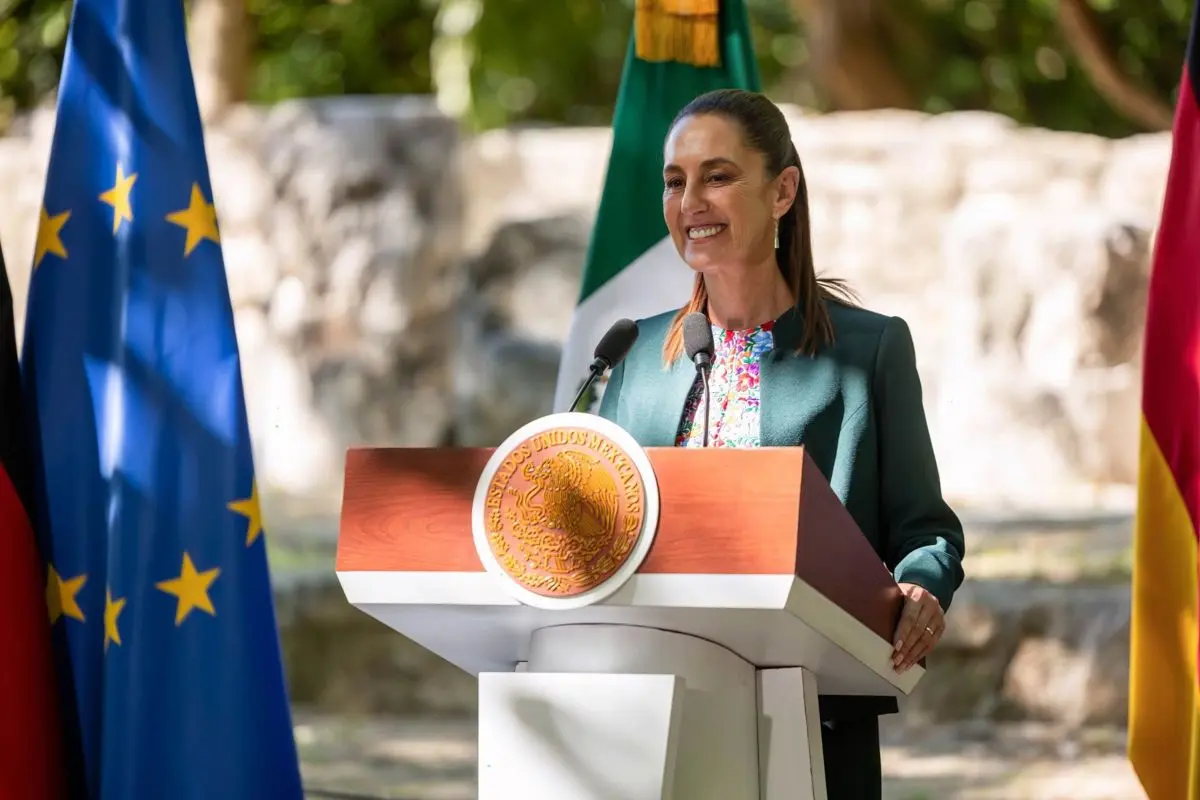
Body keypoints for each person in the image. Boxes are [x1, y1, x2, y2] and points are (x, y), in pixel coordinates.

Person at [596, 87, 966, 798]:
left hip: (814, 711)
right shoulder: (639, 355)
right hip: (652, 705)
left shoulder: (870, 350)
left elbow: (926, 529)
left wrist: (923, 586)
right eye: (676, 181)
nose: (691, 200)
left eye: (719, 175)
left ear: (783, 191)